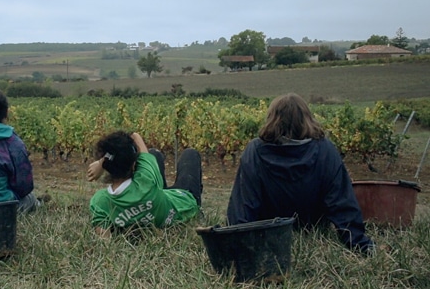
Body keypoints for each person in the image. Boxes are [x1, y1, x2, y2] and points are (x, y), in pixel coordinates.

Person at [226, 93, 375, 254]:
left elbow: (244, 202)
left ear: (272, 118)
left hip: (269, 228)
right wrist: (360, 244)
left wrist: (237, 244)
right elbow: (341, 201)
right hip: (311, 225)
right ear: (307, 118)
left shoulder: (255, 150)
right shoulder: (325, 149)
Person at [87, 131, 202, 237]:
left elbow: (104, 237)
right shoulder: (146, 179)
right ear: (134, 165)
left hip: (155, 199)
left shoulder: (100, 201)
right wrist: (102, 161)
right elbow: (135, 136)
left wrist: (103, 161)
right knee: (189, 154)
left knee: (153, 154)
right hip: (181, 203)